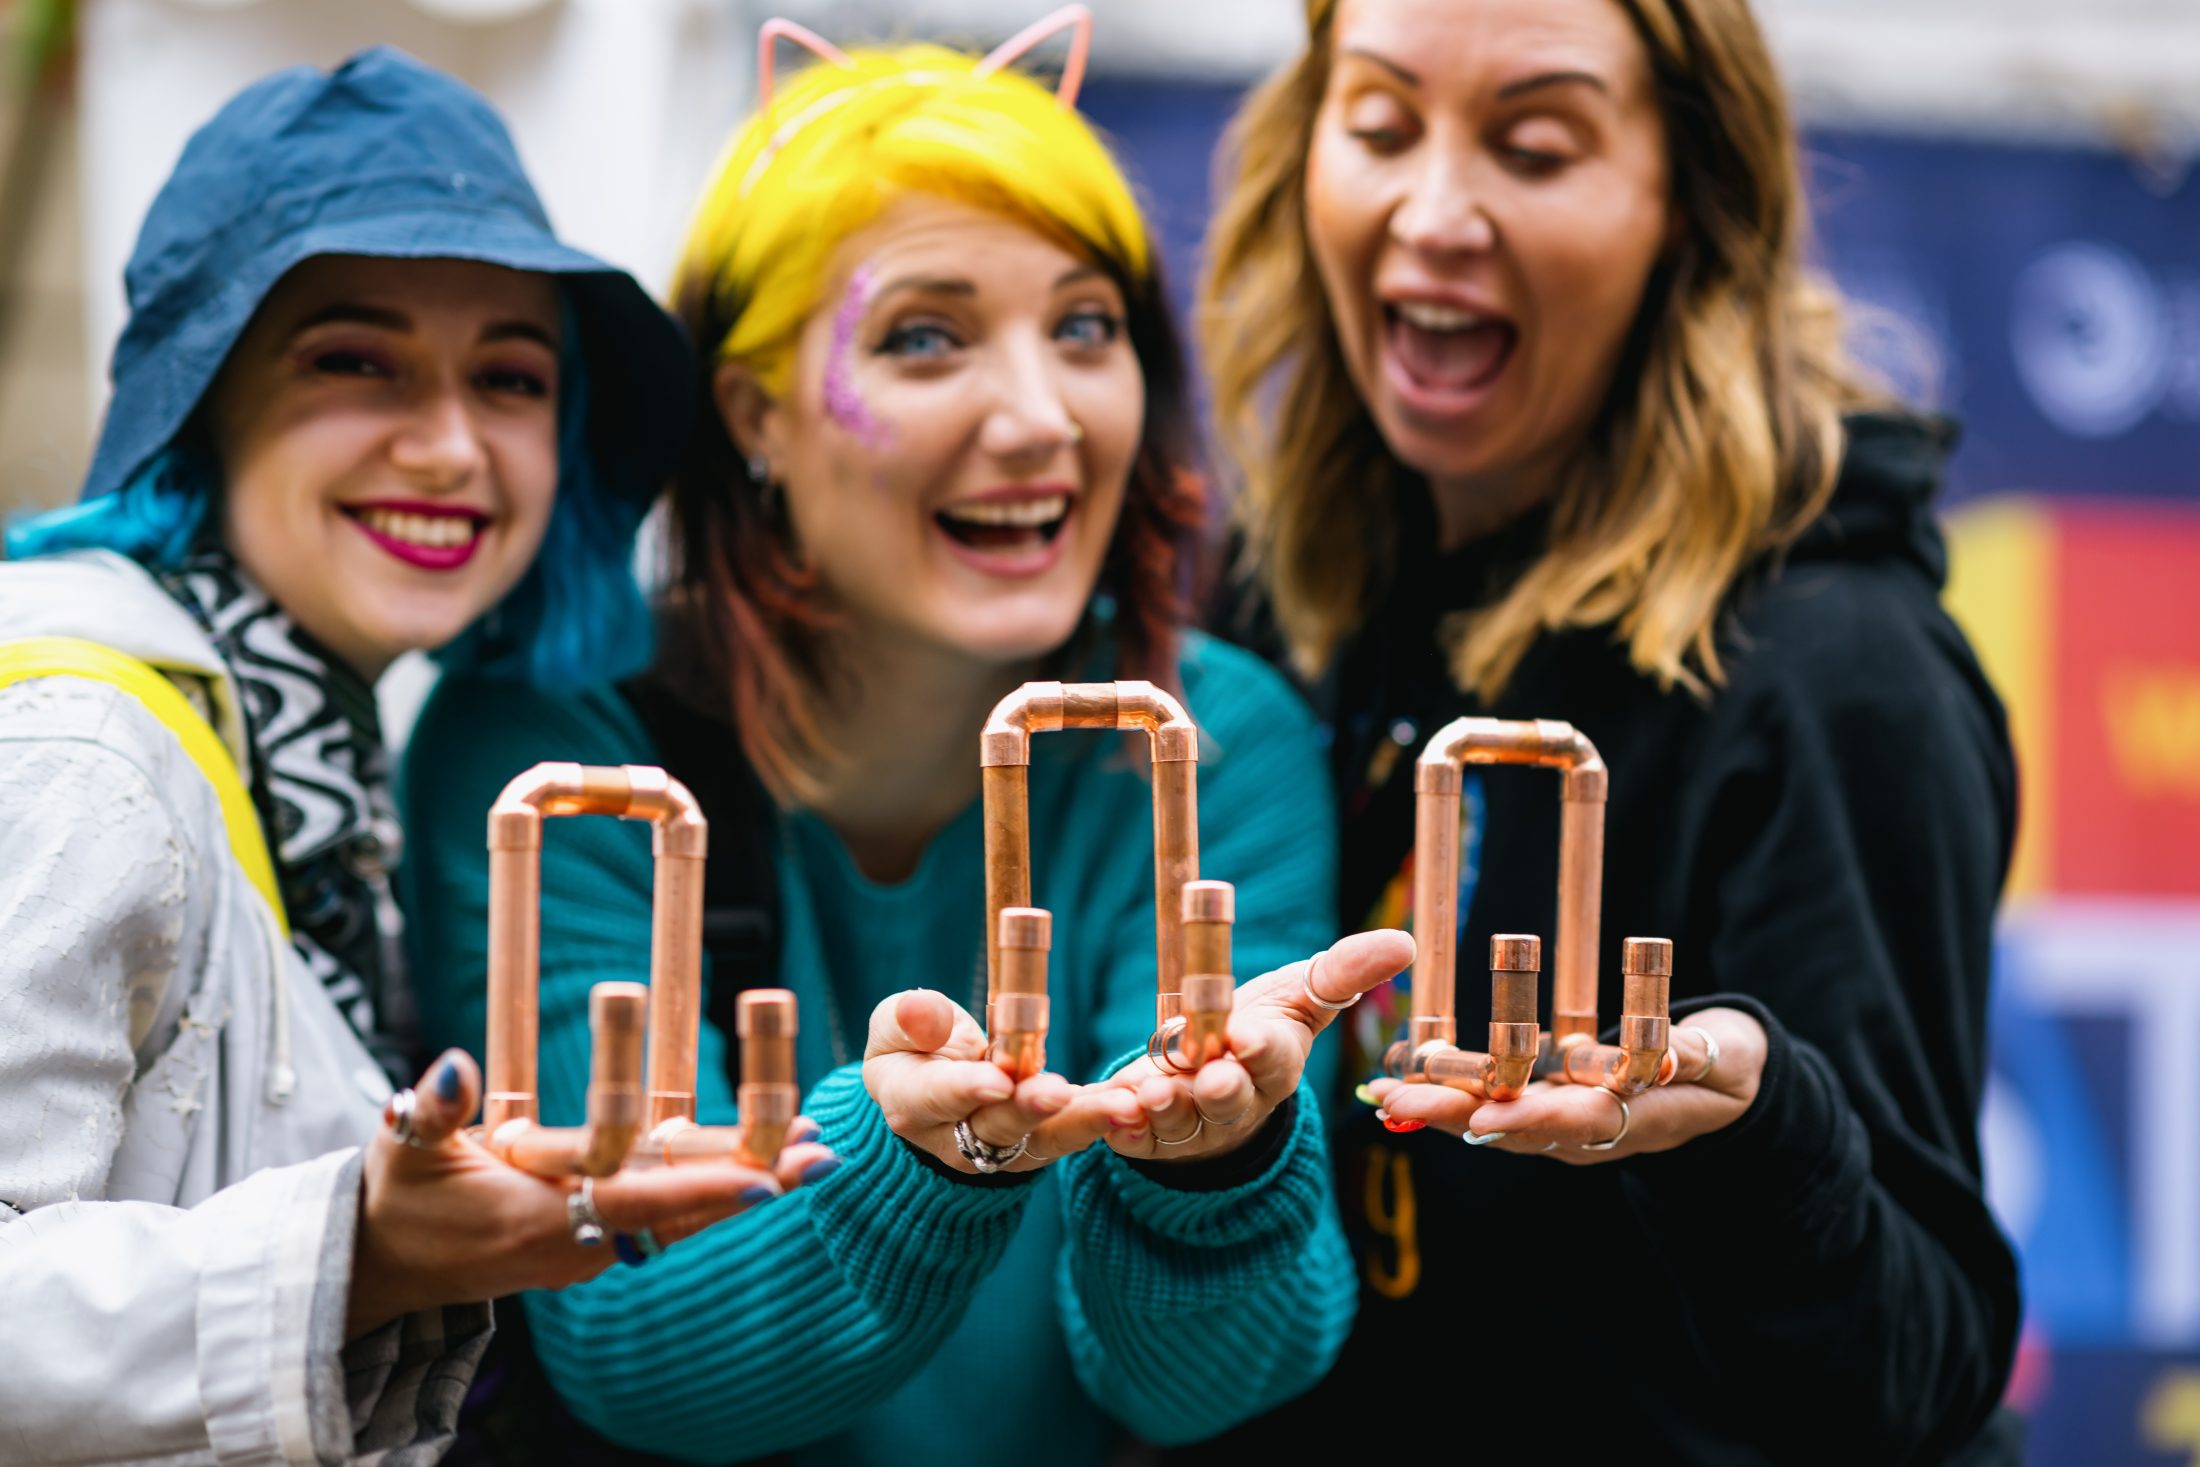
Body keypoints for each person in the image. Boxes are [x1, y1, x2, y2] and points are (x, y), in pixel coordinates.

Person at [402, 18, 1412, 1464]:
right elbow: (635, 1343)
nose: (1040, 415)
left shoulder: (1212, 740)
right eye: (924, 336)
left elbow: (1212, 1381)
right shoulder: (554, 761)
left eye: (1084, 327)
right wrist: (912, 1159)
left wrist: (1219, 1164)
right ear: (751, 412)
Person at [1198, 0, 2021, 1459]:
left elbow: (1921, 1372)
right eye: (1381, 125)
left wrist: (1763, 1141)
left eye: (1533, 145)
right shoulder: (1298, 593)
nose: (1434, 211)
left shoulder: (1835, 670)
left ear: (1690, 206)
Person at [0, 48, 826, 1465]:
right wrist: (366, 1249)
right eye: (354, 360)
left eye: (509, 378)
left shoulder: (303, 755)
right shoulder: (83, 754)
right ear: (205, 401)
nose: (449, 446)